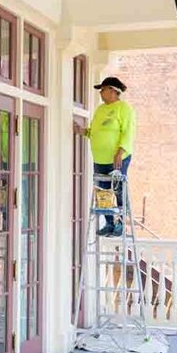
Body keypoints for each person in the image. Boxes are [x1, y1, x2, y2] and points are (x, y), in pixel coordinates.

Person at [73, 76, 136, 237]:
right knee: (103, 192)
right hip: (100, 159)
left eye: (103, 89)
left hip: (117, 158)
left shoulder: (124, 108)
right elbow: (95, 131)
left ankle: (121, 224)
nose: (101, 93)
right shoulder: (101, 110)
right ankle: (109, 223)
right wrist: (83, 131)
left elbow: (128, 132)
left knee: (118, 189)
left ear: (113, 91)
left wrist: (120, 152)